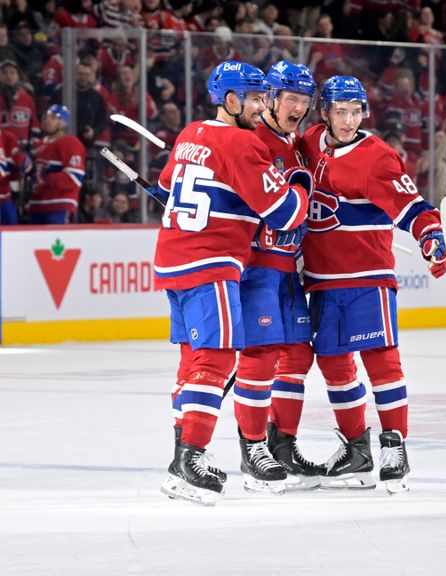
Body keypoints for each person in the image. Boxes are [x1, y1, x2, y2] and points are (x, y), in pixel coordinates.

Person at [155, 61, 312, 506]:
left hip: (173, 261)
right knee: (217, 359)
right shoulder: (242, 143)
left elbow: (169, 185)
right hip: (213, 262)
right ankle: (192, 457)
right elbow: (285, 214)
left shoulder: (190, 133)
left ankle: (179, 456)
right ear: (230, 100)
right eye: (255, 98)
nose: (261, 105)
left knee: (191, 364)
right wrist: (299, 185)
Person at [299, 76, 446, 493]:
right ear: (324, 112)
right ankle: (356, 450)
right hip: (321, 281)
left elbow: (413, 206)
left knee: (381, 361)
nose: (349, 120)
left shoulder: (378, 157)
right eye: (341, 111)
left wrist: (431, 236)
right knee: (333, 365)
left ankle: (394, 445)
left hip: (366, 276)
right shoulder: (309, 142)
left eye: (356, 111)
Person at [233, 60, 323, 492]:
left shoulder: (295, 143)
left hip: (289, 266)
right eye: (292, 99)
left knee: (297, 356)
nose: (299, 108)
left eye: (305, 101)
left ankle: (282, 445)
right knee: (261, 353)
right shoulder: (251, 139)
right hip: (257, 267)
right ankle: (252, 449)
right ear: (270, 97)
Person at [27, 105, 86, 224]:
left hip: (58, 204)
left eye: (53, 118)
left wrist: (45, 180)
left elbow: (74, 177)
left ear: (63, 123)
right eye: (47, 117)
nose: (48, 120)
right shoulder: (38, 146)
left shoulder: (70, 143)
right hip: (36, 205)